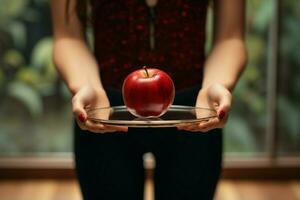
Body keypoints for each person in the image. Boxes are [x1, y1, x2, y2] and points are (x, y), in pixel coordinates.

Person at [51, 0, 246, 199]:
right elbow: (68, 37)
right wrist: (86, 85)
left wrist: (217, 84)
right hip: (104, 112)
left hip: (196, 112)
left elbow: (230, 37)